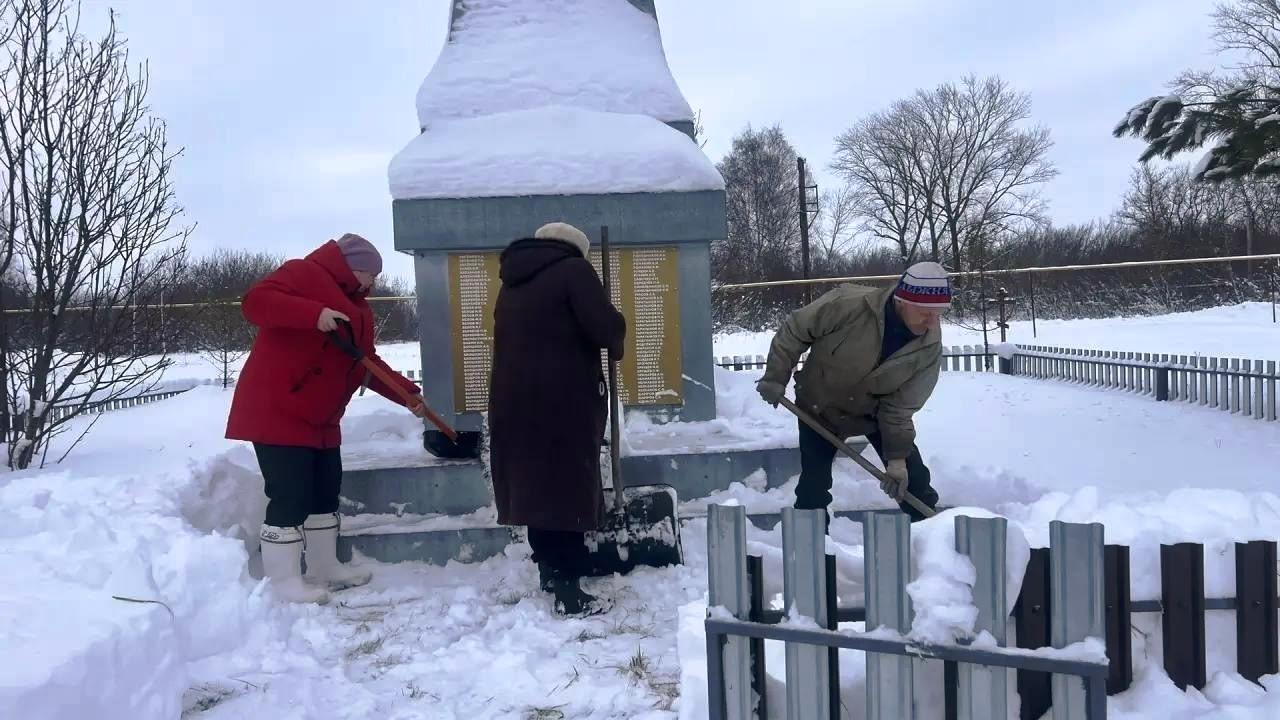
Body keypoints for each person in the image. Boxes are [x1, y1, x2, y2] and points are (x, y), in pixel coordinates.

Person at [226, 233, 428, 604]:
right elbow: (255, 303)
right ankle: (284, 581)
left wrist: (408, 395)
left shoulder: (359, 310)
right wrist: (313, 315)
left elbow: (365, 364)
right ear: (354, 267)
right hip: (279, 410)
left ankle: (324, 566)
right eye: (372, 274)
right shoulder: (303, 274)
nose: (373, 283)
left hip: (321, 419)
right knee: (291, 495)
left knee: (324, 491)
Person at [487, 222, 626, 617]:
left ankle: (550, 573)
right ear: (575, 249)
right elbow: (603, 328)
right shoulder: (574, 271)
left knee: (537, 490)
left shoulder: (513, 279)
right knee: (566, 489)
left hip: (515, 404)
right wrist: (616, 325)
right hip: (561, 403)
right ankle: (569, 589)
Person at [756, 261, 951, 523]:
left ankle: (933, 545)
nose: (931, 322)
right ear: (901, 300)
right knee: (813, 488)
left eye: (939, 312)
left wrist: (896, 461)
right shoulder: (848, 304)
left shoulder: (928, 347)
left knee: (915, 484)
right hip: (818, 407)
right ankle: (814, 554)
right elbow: (796, 329)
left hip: (874, 415)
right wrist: (775, 376)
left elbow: (900, 409)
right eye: (925, 312)